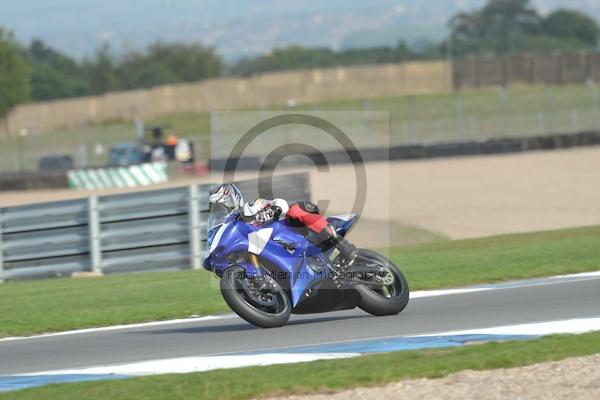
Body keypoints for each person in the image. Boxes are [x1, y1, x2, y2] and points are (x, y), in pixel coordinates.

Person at [208, 183, 357, 265]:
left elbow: (281, 204)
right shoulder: (231, 230)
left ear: (234, 198)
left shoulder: (252, 207)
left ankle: (342, 245)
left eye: (223, 205)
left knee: (295, 209)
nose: (222, 210)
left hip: (294, 237)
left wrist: (272, 210)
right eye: (217, 209)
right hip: (273, 254)